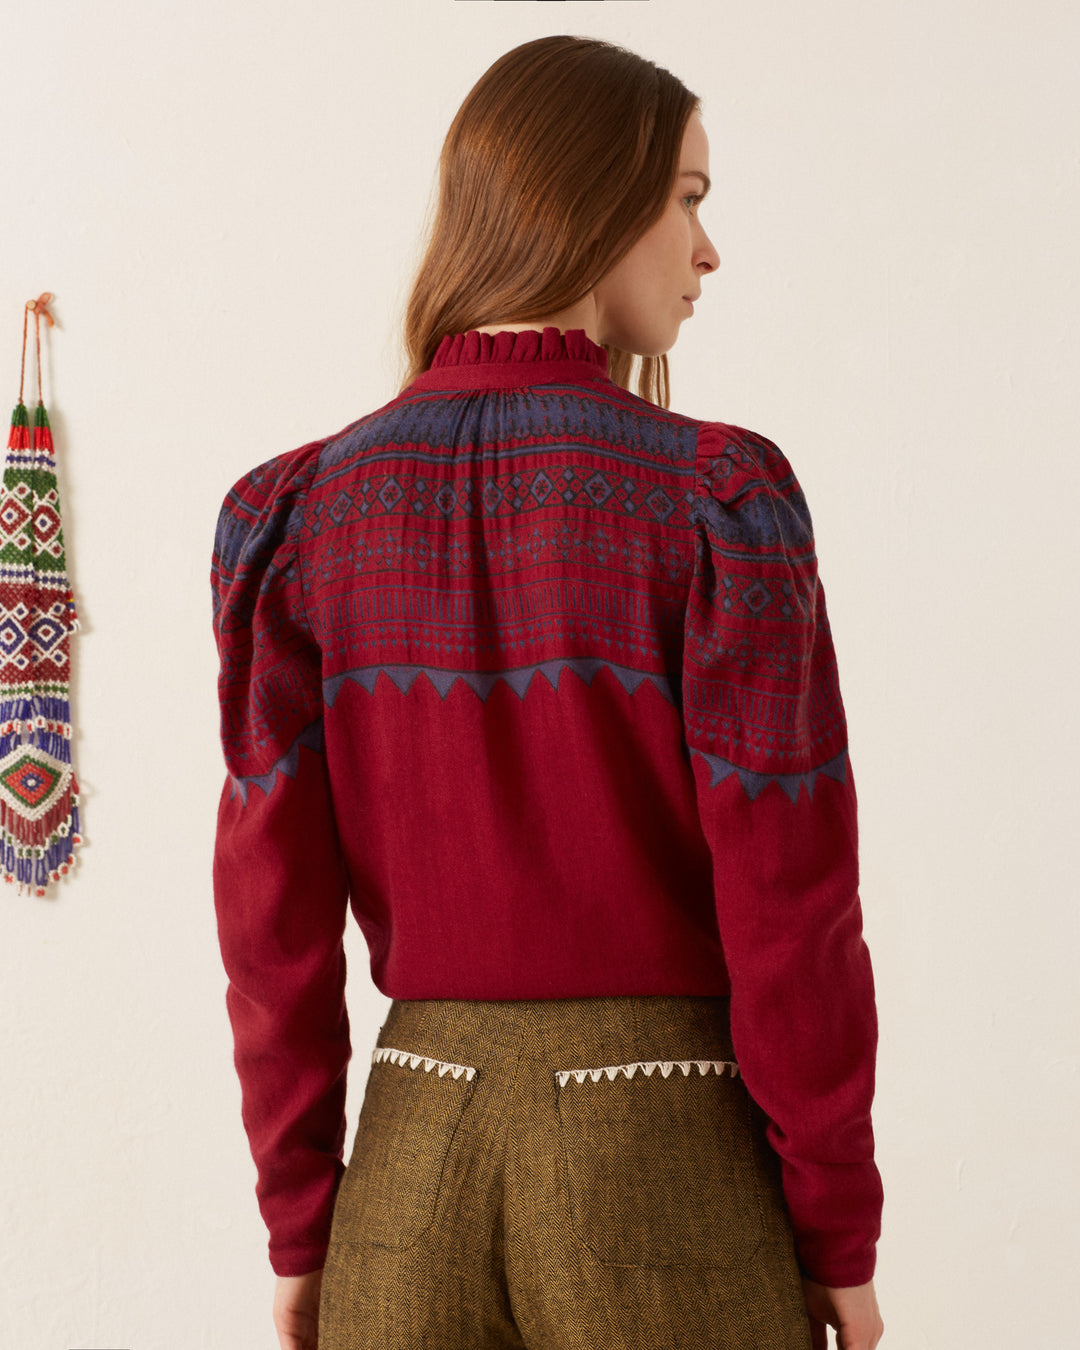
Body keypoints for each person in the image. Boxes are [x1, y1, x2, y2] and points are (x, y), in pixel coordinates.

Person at [211, 34, 884, 1350]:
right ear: (595, 199)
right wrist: (835, 1230)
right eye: (687, 197)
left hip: (409, 1153)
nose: (708, 250)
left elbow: (269, 923)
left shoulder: (295, 515)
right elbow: (791, 901)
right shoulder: (713, 501)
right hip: (663, 1157)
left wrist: (304, 1222)